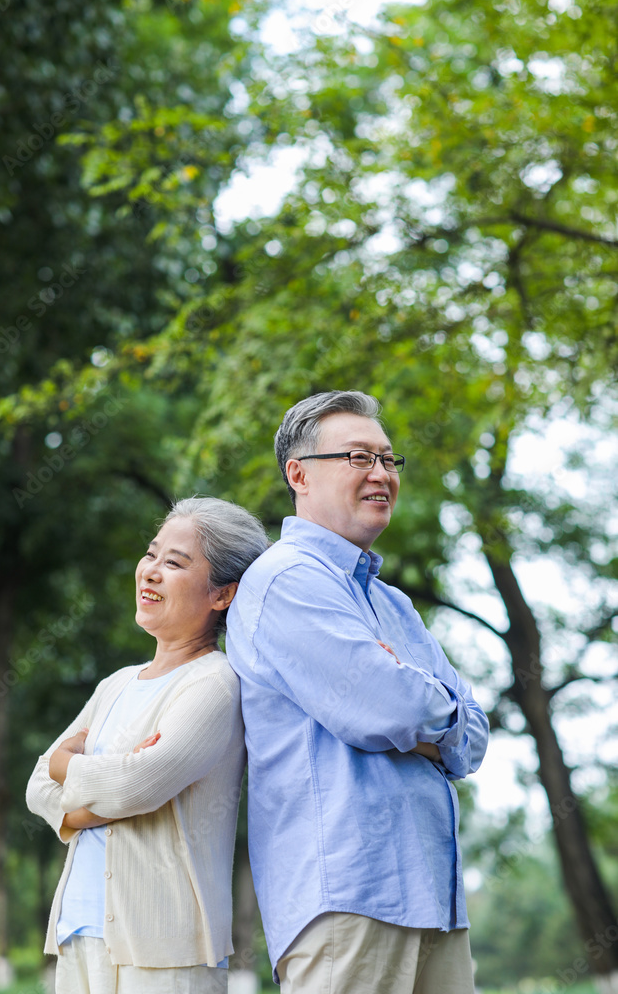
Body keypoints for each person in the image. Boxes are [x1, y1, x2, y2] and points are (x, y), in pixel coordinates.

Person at [226, 391, 490, 994]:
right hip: (348, 899)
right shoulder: (285, 578)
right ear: (299, 475)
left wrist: (420, 712)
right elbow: (392, 706)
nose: (381, 474)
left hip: (436, 900)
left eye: (389, 460)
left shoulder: (392, 603)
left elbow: (474, 738)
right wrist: (420, 706)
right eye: (358, 457)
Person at [26, 496, 269, 994]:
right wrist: (84, 792)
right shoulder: (115, 684)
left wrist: (72, 766)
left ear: (222, 595)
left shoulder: (214, 683)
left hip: (166, 949)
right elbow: (37, 782)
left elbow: (135, 786)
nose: (151, 572)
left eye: (175, 563)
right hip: (78, 934)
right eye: (151, 554)